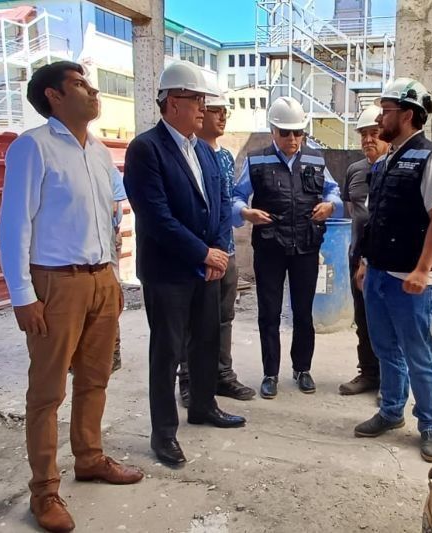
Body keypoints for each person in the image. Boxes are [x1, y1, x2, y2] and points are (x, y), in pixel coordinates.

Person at [0, 61, 143, 533]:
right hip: (55, 284)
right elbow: (14, 224)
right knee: (46, 393)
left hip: (100, 281)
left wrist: (115, 280)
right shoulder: (32, 148)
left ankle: (90, 457)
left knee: (95, 379)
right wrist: (22, 294)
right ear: (53, 96)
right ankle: (44, 492)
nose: (92, 89)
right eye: (79, 84)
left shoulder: (99, 152)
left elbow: (109, 215)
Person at [123, 60, 246, 468]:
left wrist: (215, 250)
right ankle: (164, 434)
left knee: (206, 341)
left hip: (205, 267)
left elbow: (218, 206)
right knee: (168, 350)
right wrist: (201, 252)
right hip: (168, 272)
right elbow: (156, 217)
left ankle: (204, 406)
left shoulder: (204, 152)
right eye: (196, 100)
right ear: (172, 102)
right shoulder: (146, 149)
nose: (203, 108)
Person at [352, 78, 432, 463]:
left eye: (387, 111)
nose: (380, 118)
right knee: (385, 349)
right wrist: (365, 263)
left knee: (418, 354)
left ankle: (430, 425)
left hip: (411, 281)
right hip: (379, 274)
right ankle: (391, 412)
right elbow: (374, 219)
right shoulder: (388, 158)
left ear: (407, 115)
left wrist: (422, 270)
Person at [232, 96, 343, 399]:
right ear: (273, 131)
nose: (292, 139)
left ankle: (302, 369)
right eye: (285, 133)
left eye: (298, 133)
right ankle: (270, 373)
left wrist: (329, 206)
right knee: (268, 312)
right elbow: (236, 197)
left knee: (303, 312)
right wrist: (246, 213)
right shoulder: (257, 160)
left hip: (305, 246)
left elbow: (334, 192)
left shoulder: (316, 160)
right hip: (269, 248)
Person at [177, 89, 256, 407]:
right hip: (197, 254)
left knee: (224, 317)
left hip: (225, 253)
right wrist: (205, 251)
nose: (222, 116)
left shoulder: (223, 157)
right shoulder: (185, 154)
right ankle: (188, 379)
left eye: (225, 111)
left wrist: (224, 250)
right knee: (190, 319)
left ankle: (222, 375)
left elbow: (225, 205)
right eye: (214, 110)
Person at [338, 105, 389, 397]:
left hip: (385, 258)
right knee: (363, 318)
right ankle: (368, 373)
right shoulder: (355, 171)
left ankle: (390, 380)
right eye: (364, 134)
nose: (369, 140)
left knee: (387, 320)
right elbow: (353, 210)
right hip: (358, 255)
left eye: (375, 133)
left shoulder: (395, 169)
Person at [111, 167, 127, 372]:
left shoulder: (100, 157)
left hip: (106, 235)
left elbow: (115, 206)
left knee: (110, 294)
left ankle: (113, 352)